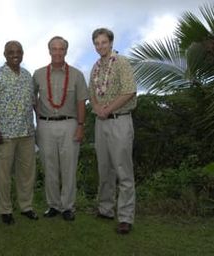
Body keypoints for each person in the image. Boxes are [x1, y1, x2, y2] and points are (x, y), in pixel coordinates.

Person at [33, 36, 88, 221]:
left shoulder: (77, 74)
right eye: (54, 49)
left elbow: (81, 102)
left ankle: (68, 207)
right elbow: (32, 97)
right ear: (49, 51)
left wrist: (80, 126)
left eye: (61, 49)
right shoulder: (38, 74)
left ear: (66, 51)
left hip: (69, 124)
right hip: (45, 125)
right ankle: (53, 205)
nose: (57, 52)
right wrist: (38, 116)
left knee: (69, 167)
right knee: (49, 167)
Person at [0, 41, 38, 225]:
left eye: (18, 51)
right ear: (5, 54)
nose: (15, 54)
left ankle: (26, 207)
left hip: (27, 132)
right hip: (4, 134)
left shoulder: (27, 75)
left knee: (27, 173)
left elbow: (33, 103)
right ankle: (5, 210)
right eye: (11, 52)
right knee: (4, 175)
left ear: (23, 53)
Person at [89, 28, 137, 234]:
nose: (100, 46)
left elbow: (129, 91)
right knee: (105, 167)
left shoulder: (122, 63)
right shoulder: (95, 67)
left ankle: (125, 217)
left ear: (111, 42)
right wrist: (98, 107)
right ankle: (106, 209)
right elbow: (93, 93)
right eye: (97, 43)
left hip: (120, 121)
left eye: (104, 42)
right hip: (101, 122)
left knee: (123, 170)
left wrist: (108, 109)